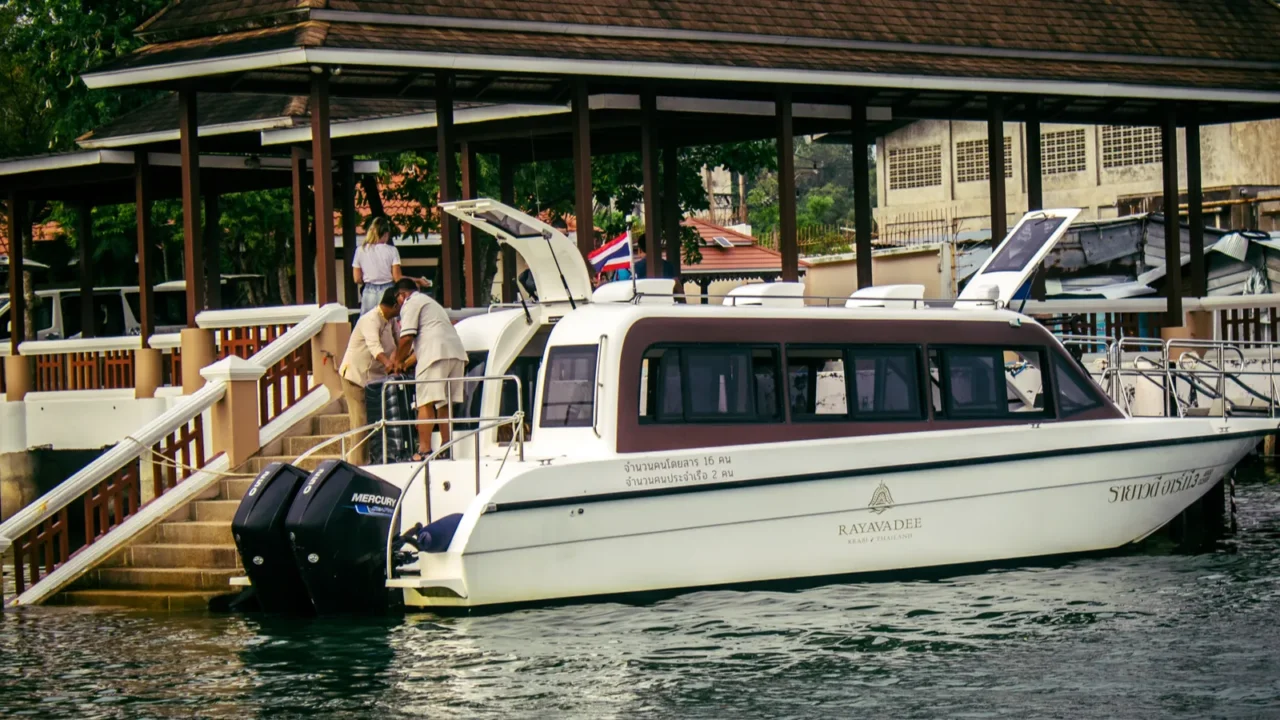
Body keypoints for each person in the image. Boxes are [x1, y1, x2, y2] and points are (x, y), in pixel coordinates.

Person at [393, 277, 467, 461]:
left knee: (425, 403)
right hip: (456, 353)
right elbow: (424, 343)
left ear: (402, 295)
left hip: (435, 355)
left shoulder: (411, 303)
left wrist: (396, 362)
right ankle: (446, 447)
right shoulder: (432, 304)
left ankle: (424, 450)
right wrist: (405, 363)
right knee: (444, 404)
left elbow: (407, 338)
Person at [338, 288, 402, 465]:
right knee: (361, 423)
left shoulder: (391, 320)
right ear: (394, 305)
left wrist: (400, 361)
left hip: (375, 380)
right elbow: (375, 347)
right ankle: (356, 465)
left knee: (376, 423)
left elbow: (399, 343)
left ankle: (372, 461)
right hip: (355, 377)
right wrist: (388, 363)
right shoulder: (370, 319)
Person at [352, 216, 404, 314]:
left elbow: (357, 278)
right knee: (388, 322)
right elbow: (397, 278)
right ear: (386, 234)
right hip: (387, 289)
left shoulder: (360, 250)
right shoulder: (392, 250)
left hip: (369, 290)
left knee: (367, 322)